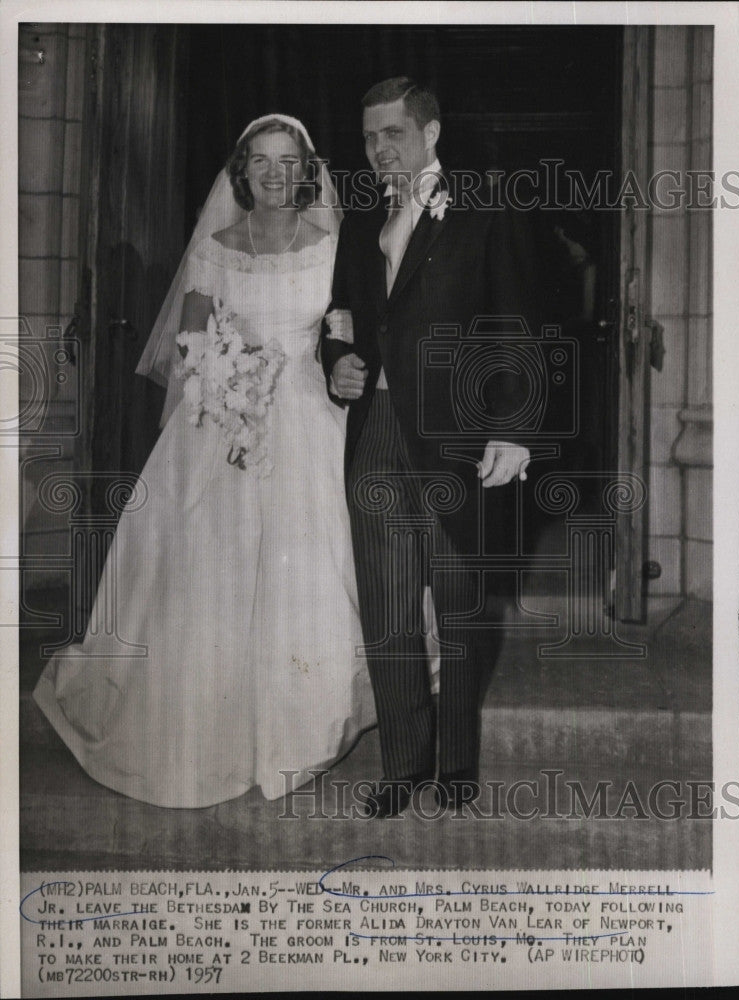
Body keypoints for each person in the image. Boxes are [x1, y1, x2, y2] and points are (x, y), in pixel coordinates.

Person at [33, 115, 374, 808]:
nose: (274, 175)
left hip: (306, 416)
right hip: (220, 415)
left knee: (306, 562)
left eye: (287, 162)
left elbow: (344, 329)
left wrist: (336, 365)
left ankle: (298, 724)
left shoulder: (333, 244)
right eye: (260, 162)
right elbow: (190, 337)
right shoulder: (215, 247)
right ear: (240, 172)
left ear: (305, 169)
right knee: (203, 566)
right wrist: (225, 381)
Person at [321, 78, 537, 817]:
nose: (380, 150)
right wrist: (334, 366)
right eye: (370, 137)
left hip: (457, 437)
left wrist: (513, 428)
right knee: (387, 610)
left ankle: (455, 765)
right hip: (375, 432)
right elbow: (341, 316)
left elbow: (517, 321)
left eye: (393, 135)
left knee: (457, 603)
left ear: (431, 134)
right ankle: (402, 766)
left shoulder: (485, 207)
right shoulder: (360, 221)